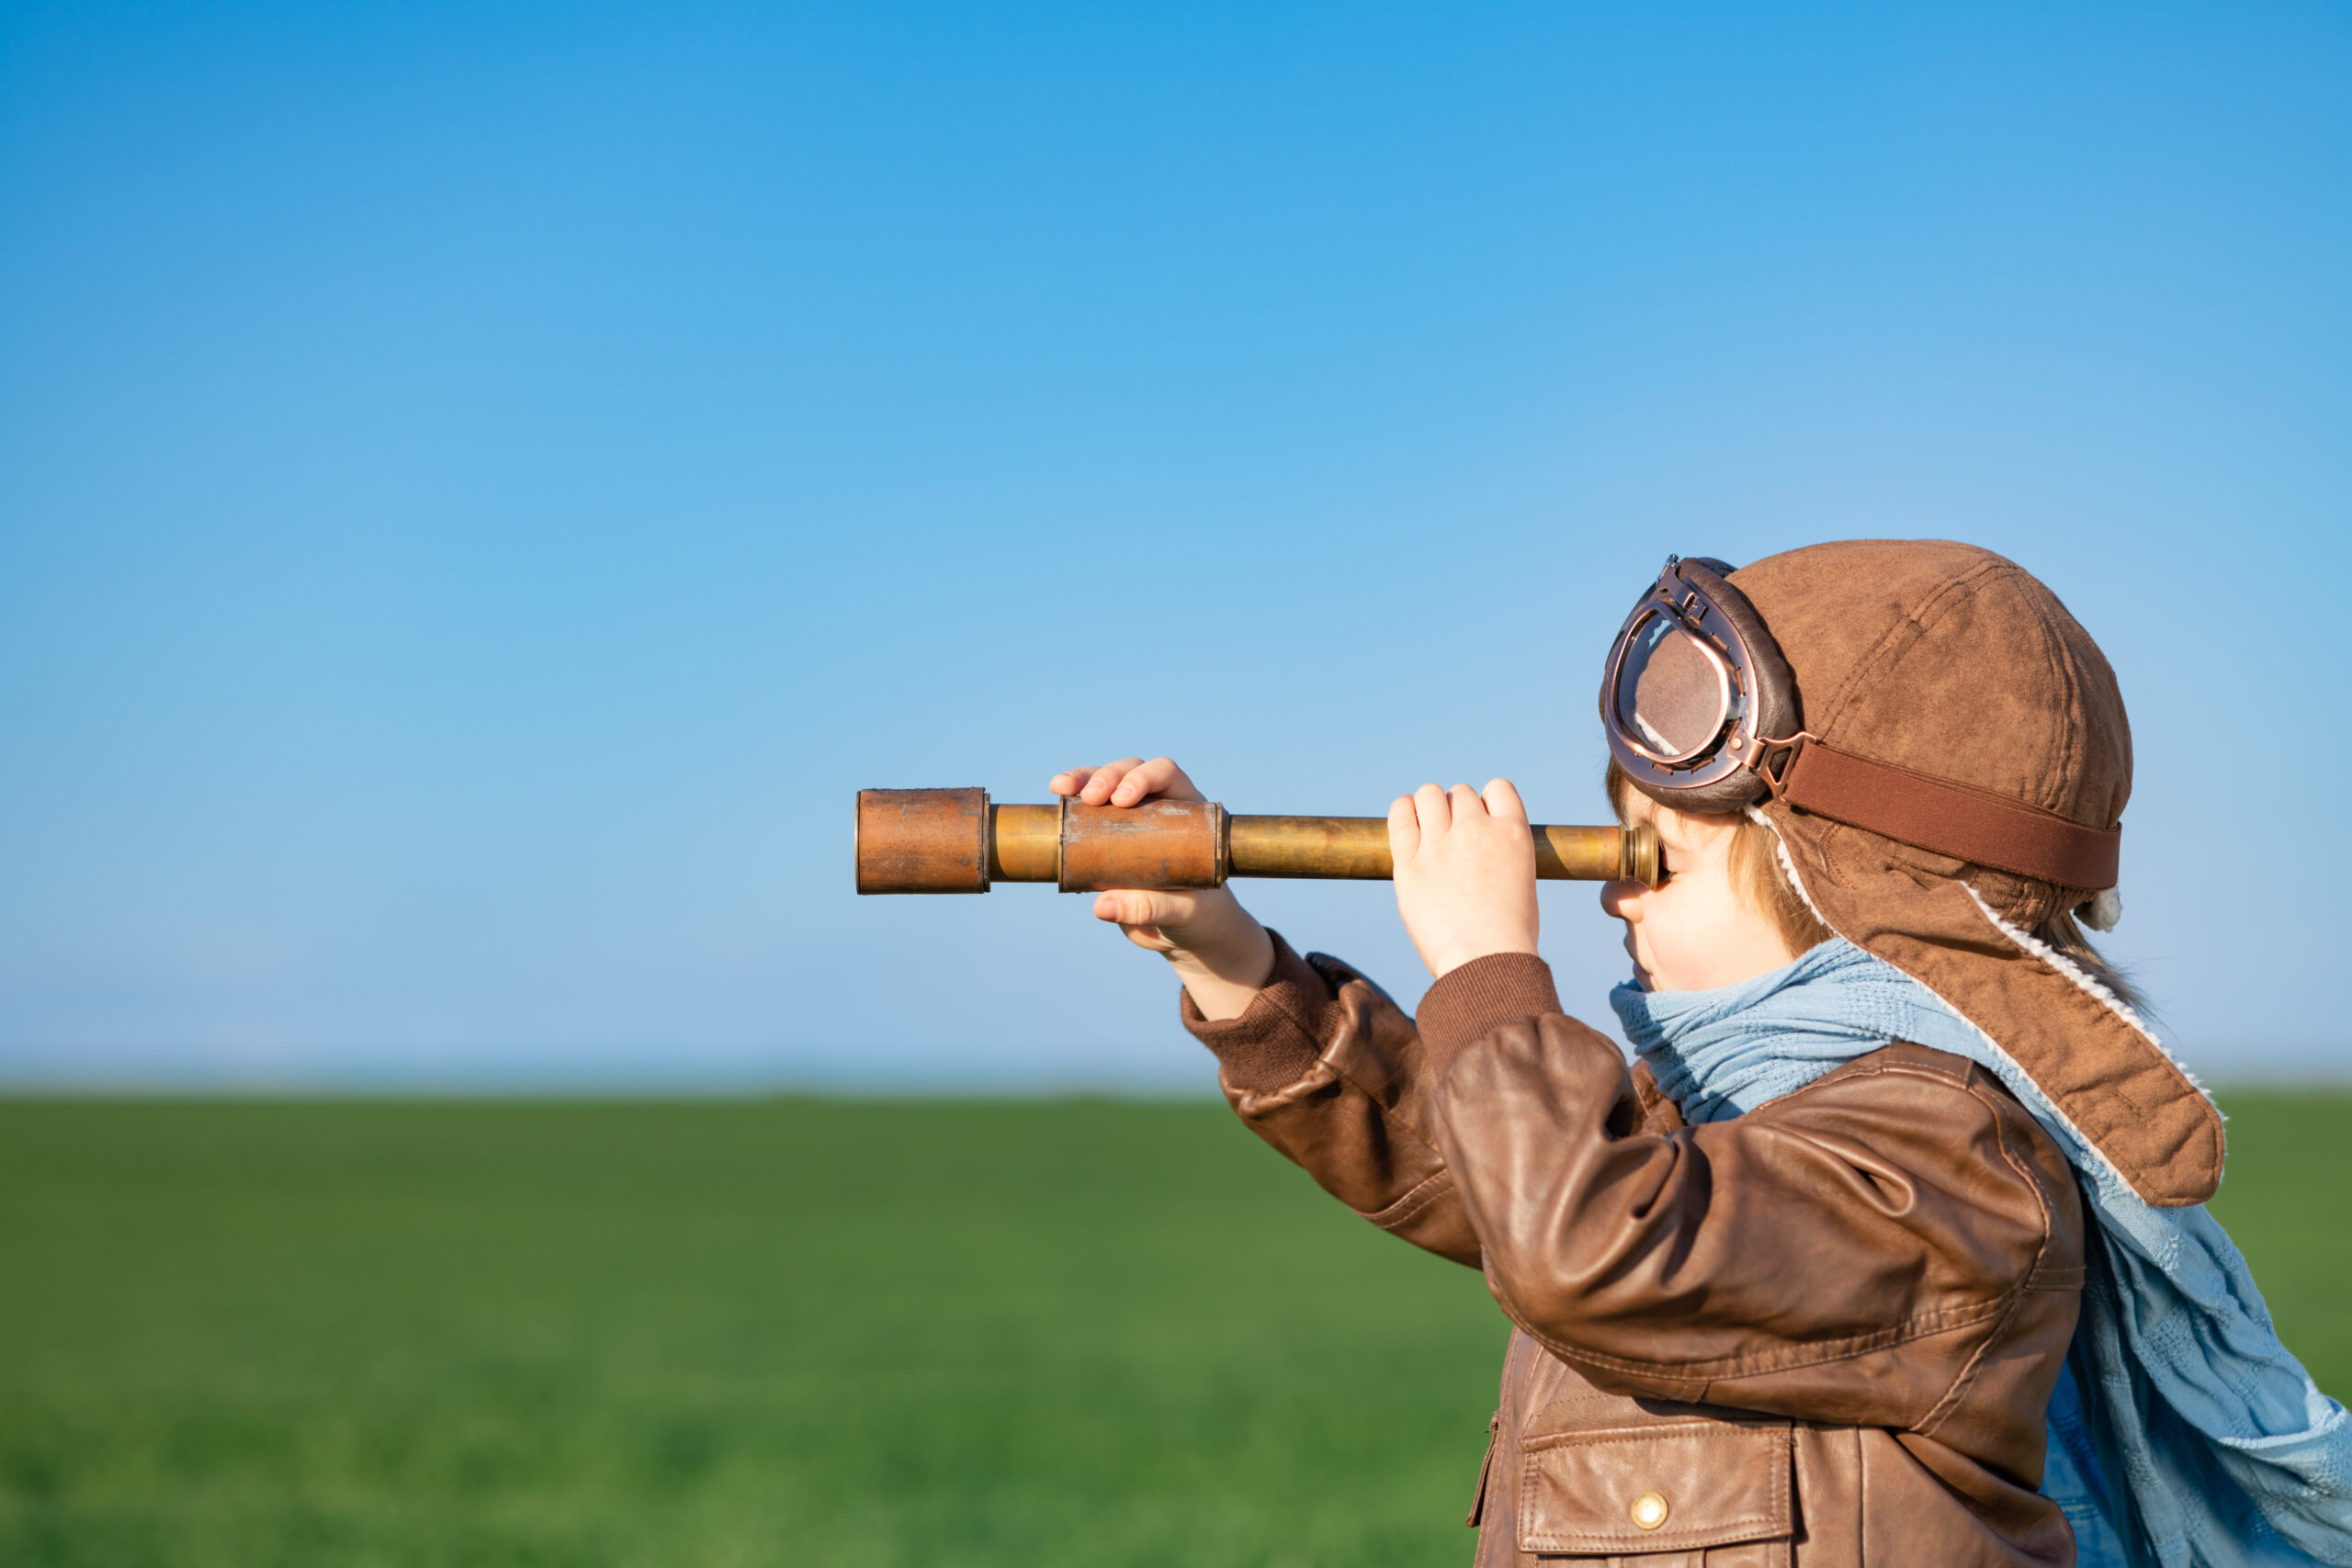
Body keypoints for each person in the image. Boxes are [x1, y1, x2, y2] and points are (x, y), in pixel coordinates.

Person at [1052, 541, 2352, 1567]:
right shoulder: (1731, 1120)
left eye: (1654, 858)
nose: (1612, 899)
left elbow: (1584, 1239)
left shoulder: (1956, 1169)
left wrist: (1489, 971)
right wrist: (1227, 956)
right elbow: (1483, 1171)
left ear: (1836, 873)